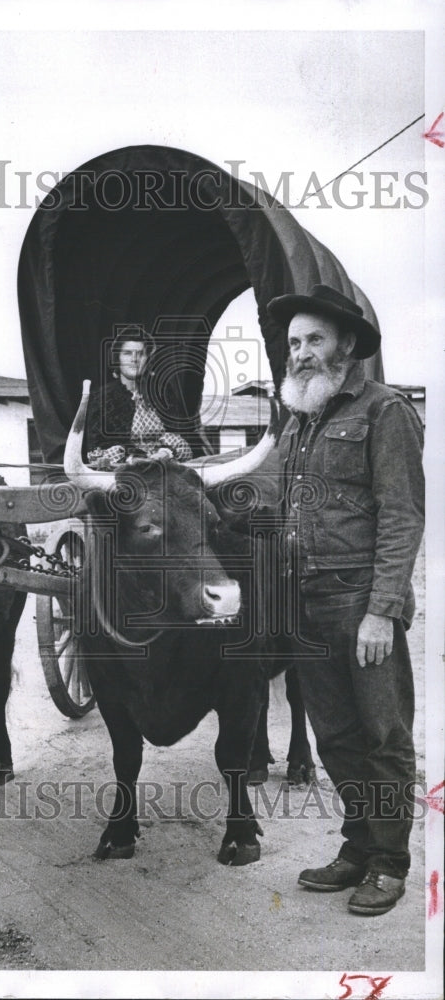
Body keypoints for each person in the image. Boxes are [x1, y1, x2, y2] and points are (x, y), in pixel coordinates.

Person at [265, 284, 424, 916]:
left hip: (359, 601)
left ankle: (389, 864)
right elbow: (268, 498)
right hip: (305, 604)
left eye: (314, 341)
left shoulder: (384, 412)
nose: (300, 353)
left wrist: (382, 610)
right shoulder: (298, 420)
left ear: (346, 347)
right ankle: (358, 848)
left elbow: (402, 515)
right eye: (294, 342)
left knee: (382, 736)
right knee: (334, 736)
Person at [85, 326, 195, 467]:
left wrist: (165, 453)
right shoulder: (102, 397)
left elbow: (181, 435)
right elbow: (97, 447)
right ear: (117, 358)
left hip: (165, 464)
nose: (134, 359)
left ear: (147, 358)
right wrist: (138, 456)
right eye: (127, 353)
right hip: (123, 467)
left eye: (140, 354)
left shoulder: (162, 392)